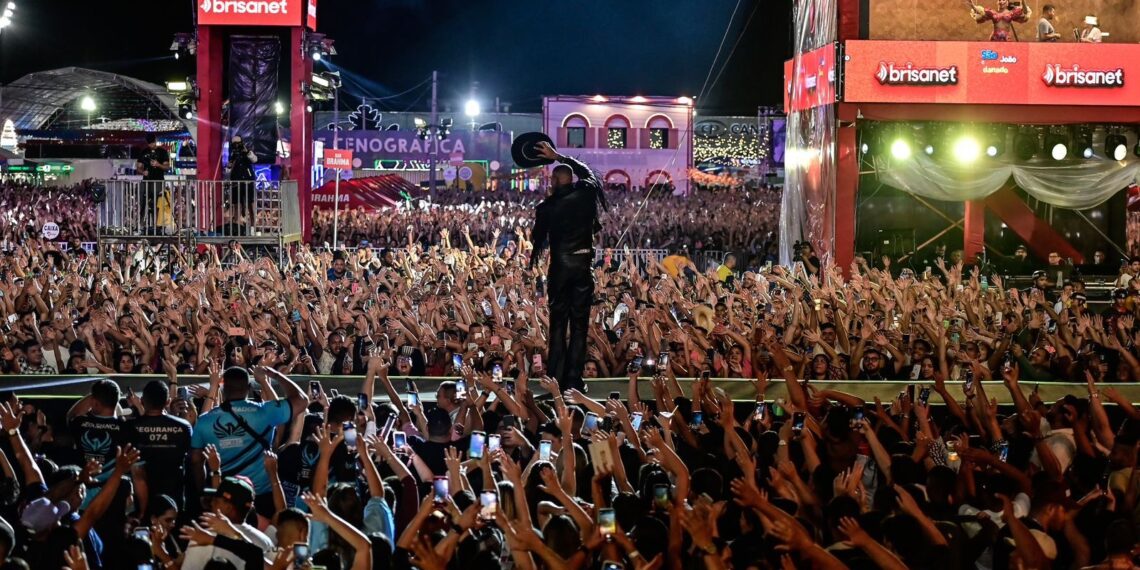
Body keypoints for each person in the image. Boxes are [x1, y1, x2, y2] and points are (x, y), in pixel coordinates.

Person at [529, 140, 605, 392]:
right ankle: (574, 379)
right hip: (583, 264)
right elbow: (590, 173)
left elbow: (536, 240)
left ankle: (555, 376)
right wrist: (559, 155)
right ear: (570, 179)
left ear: (553, 182)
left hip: (560, 266)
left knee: (559, 324)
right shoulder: (586, 191)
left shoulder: (547, 207)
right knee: (580, 324)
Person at [190, 366, 309, 518]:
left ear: (224, 388)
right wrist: (274, 375)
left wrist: (202, 491)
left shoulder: (205, 420)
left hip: (225, 496)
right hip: (263, 496)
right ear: (249, 388)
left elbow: (195, 460)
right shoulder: (265, 412)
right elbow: (302, 400)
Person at [126, 380, 192, 512]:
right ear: (168, 402)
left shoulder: (129, 427)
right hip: (174, 496)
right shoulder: (184, 426)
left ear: (143, 400)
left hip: (142, 498)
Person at [135, 133, 171, 235]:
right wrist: (143, 172)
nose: (152, 145)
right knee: (143, 203)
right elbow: (138, 167)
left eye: (153, 143)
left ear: (156, 140)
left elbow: (167, 167)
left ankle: (158, 226)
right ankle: (141, 226)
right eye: (150, 143)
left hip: (159, 181)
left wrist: (158, 164)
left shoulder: (163, 152)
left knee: (158, 205)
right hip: (146, 181)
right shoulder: (144, 152)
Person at [227, 135, 258, 229]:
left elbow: (255, 159)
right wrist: (231, 162)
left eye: (238, 143)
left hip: (248, 182)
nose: (236, 146)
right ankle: (237, 227)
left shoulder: (247, 152)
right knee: (237, 206)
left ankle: (253, 227)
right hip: (236, 183)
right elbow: (229, 168)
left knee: (250, 205)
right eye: (234, 144)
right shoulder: (232, 154)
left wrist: (246, 151)